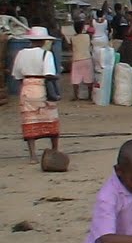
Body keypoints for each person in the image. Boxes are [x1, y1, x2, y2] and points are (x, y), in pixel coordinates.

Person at [12, 26, 60, 162]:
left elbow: (17, 75)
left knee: (29, 121)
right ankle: (54, 150)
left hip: (27, 89)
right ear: (44, 40)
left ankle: (33, 155)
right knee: (51, 119)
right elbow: (49, 74)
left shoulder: (21, 54)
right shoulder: (46, 55)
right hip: (42, 88)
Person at [70, 21, 93, 102]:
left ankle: (76, 96)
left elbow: (71, 47)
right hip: (87, 58)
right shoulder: (87, 36)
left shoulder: (73, 38)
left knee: (75, 79)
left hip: (76, 59)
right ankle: (90, 96)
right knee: (89, 78)